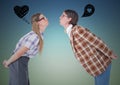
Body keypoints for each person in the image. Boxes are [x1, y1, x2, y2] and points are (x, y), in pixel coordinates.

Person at [59, 9, 117, 85]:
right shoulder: (71, 33)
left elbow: (96, 41)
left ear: (69, 19)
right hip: (95, 67)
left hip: (102, 64)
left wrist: (109, 53)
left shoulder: (77, 30)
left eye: (63, 15)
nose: (60, 17)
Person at [3, 13, 48, 85]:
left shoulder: (39, 35)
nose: (46, 18)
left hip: (21, 61)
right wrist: (8, 62)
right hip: (19, 61)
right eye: (43, 18)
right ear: (38, 22)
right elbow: (18, 53)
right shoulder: (35, 36)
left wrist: (9, 62)